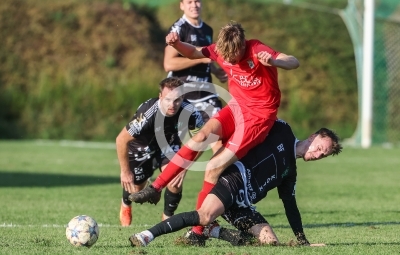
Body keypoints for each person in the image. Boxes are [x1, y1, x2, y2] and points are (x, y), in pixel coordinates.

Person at [130, 21, 300, 237]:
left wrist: (275, 61)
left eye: (233, 56)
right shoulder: (220, 50)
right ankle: (155, 189)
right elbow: (193, 52)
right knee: (201, 136)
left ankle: (198, 232)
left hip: (258, 118)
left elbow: (293, 61)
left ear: (241, 46)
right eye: (224, 56)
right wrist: (176, 44)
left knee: (213, 167)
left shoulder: (256, 49)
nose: (228, 60)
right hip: (236, 108)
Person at [128, 120, 343, 247]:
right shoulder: (283, 130)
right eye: (320, 147)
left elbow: (290, 206)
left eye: (323, 154)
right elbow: (252, 122)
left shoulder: (290, 173)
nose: (318, 154)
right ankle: (146, 235)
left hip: (243, 204)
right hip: (233, 179)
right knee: (204, 215)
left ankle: (215, 232)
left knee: (270, 243)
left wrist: (302, 240)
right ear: (313, 136)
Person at [117, 77, 205, 226]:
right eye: (168, 99)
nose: (172, 105)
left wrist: (185, 167)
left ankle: (167, 218)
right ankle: (126, 204)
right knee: (136, 187)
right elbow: (121, 140)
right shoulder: (148, 113)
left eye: (177, 100)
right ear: (160, 97)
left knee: (175, 181)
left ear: (183, 97)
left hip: (168, 145)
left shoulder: (190, 111)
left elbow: (201, 140)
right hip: (142, 146)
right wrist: (125, 171)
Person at [164, 0, 227, 124]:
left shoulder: (208, 30)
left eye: (197, 1)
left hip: (205, 93)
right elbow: (169, 64)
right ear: (182, 5)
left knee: (220, 132)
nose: (194, 5)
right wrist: (201, 59)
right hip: (182, 93)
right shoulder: (178, 28)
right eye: (189, 2)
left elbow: (206, 59)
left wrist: (215, 71)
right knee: (177, 139)